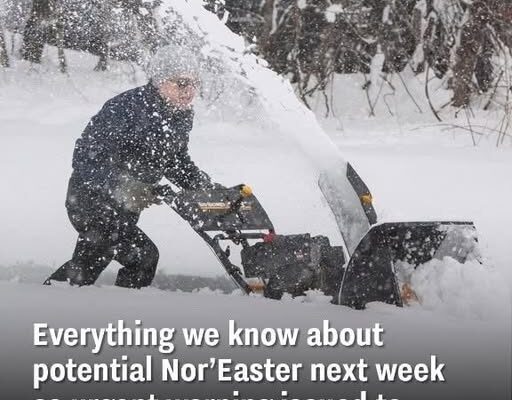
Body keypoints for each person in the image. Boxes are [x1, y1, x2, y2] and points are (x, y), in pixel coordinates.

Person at [45, 45, 219, 288]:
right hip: (91, 201)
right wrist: (126, 186)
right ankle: (112, 303)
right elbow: (87, 157)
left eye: (194, 83)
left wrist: (205, 187)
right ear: (160, 81)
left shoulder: (180, 115)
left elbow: (174, 160)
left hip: (124, 208)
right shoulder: (127, 108)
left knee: (95, 262)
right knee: (140, 257)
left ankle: (58, 299)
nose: (189, 91)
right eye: (181, 83)